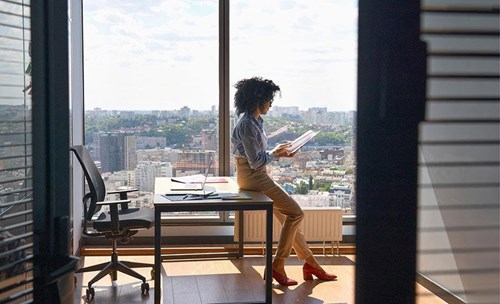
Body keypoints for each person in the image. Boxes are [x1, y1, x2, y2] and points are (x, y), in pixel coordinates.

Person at [231, 76, 337, 286]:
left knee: (289, 220)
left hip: (256, 175)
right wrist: (277, 153)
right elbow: (255, 161)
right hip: (253, 176)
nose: (271, 104)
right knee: (296, 213)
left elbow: (258, 155)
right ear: (258, 100)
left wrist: (277, 152)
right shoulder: (247, 124)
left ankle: (311, 264)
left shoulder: (254, 121)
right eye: (269, 100)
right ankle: (277, 266)